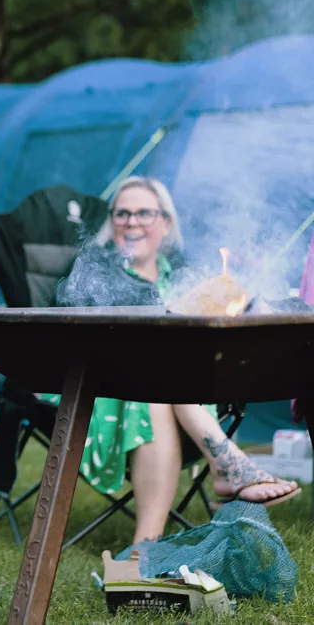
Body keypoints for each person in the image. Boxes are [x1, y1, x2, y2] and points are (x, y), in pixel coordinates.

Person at [55, 176, 301, 543]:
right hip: (100, 391)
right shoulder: (94, 274)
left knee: (161, 383)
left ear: (165, 223)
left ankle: (146, 546)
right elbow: (75, 345)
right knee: (157, 385)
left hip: (185, 393)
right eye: (122, 213)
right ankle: (228, 466)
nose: (131, 222)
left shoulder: (182, 278)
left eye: (143, 213)